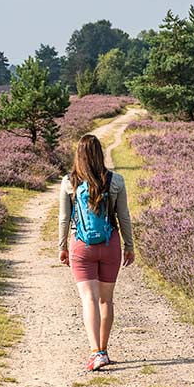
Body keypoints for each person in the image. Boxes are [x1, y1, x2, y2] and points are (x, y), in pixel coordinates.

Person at [58, 134, 135, 371]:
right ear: (100, 154)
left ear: (78, 155)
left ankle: (95, 352)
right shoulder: (116, 181)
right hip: (110, 243)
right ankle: (104, 350)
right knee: (106, 300)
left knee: (88, 299)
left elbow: (63, 218)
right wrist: (129, 245)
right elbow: (123, 217)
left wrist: (62, 246)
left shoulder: (69, 182)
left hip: (82, 247)